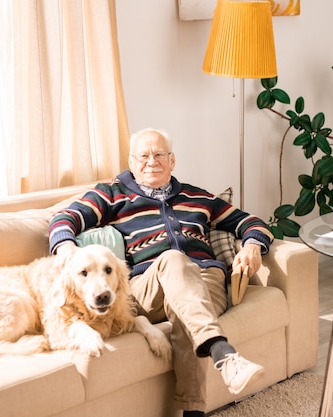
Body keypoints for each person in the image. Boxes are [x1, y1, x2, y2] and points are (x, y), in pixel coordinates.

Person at [49, 127, 274, 417]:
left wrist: (252, 246)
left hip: (205, 280)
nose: (151, 161)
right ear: (131, 162)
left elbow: (251, 222)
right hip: (146, 286)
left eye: (159, 154)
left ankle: (194, 412)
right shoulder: (112, 194)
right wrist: (66, 248)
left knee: (183, 306)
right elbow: (65, 218)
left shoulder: (199, 197)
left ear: (172, 161)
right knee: (173, 260)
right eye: (143, 156)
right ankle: (222, 352)